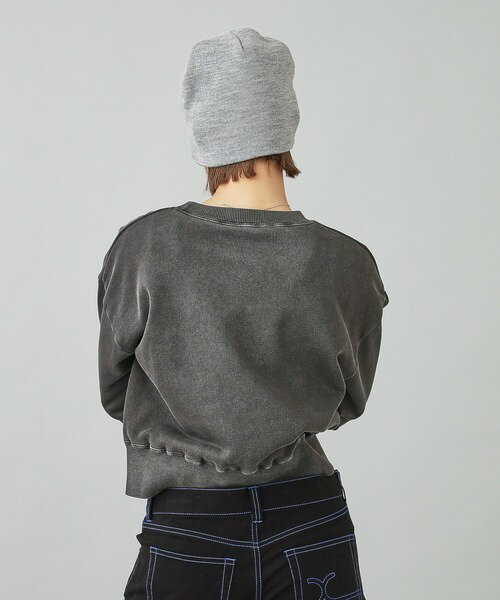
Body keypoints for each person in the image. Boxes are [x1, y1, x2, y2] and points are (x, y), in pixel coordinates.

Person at [97, 27, 388, 600]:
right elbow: (349, 402)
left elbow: (115, 392)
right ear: (287, 122)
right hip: (312, 518)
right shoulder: (348, 261)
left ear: (200, 125)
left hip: (191, 521)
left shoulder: (144, 247)